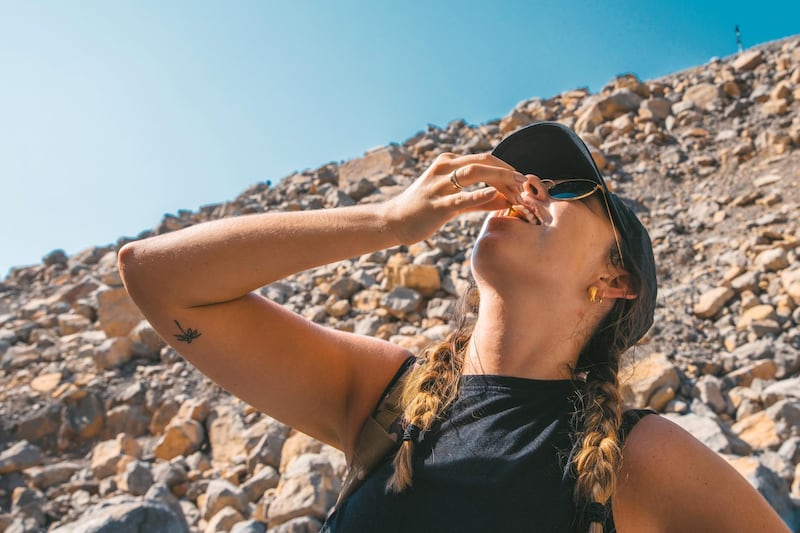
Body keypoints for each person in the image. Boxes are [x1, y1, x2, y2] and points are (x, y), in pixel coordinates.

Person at [118, 122, 789, 532]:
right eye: (525, 176)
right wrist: (386, 221)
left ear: (615, 281)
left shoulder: (641, 458)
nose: (526, 187)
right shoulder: (387, 397)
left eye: (559, 190)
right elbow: (156, 278)